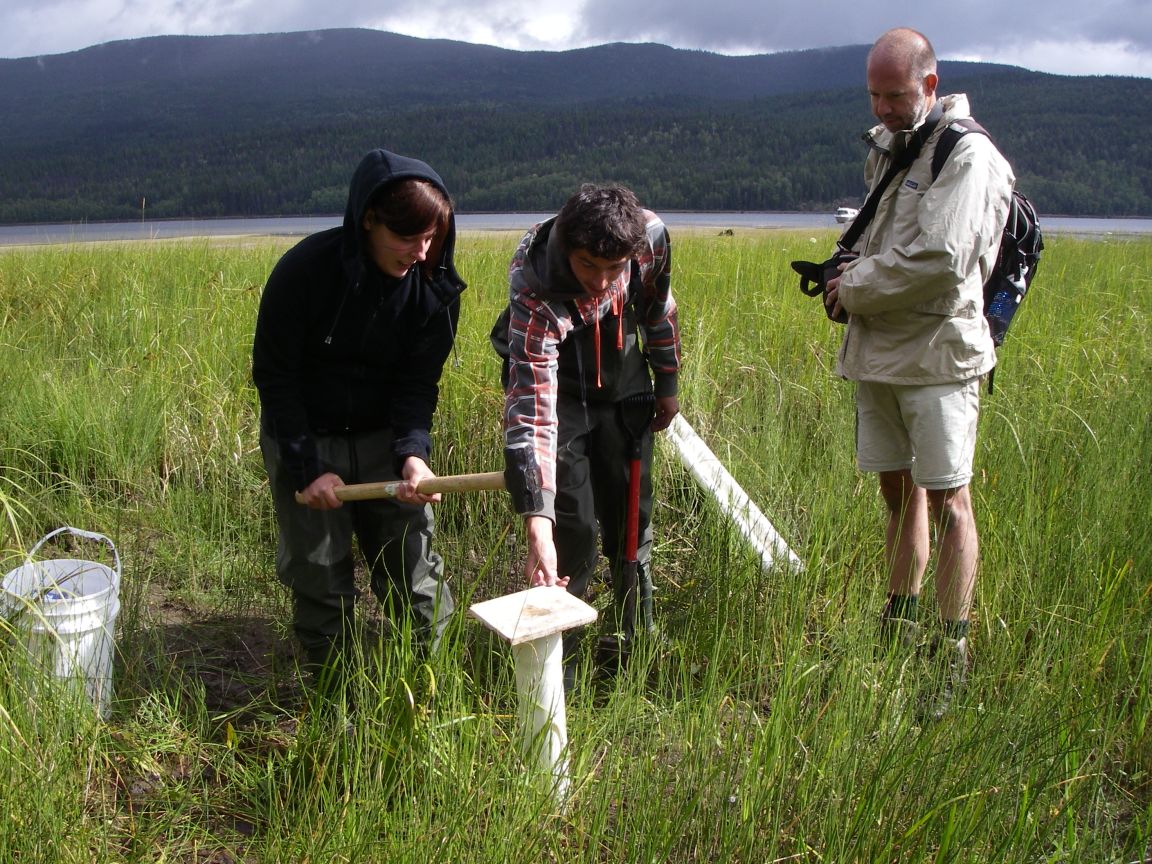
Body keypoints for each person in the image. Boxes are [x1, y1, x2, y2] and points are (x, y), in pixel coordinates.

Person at [824, 28, 1014, 720]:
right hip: (879, 354)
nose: (884, 108)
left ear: (931, 86)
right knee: (897, 497)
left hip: (937, 356)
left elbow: (938, 258)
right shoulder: (891, 149)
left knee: (950, 501)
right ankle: (898, 621)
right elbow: (886, 244)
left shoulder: (968, 155)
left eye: (897, 95)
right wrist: (847, 279)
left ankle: (951, 646)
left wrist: (855, 288)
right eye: (875, 95)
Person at [252, 149, 465, 695]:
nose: (419, 254)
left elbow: (418, 386)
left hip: (383, 441)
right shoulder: (304, 272)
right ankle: (335, 704)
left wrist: (413, 453)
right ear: (367, 217)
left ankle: (430, 693)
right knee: (320, 577)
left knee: (415, 573)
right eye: (406, 238)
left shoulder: (434, 291)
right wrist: (306, 469)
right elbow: (276, 378)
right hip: (307, 438)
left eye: (430, 240)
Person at [492, 184, 681, 675]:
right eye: (587, 266)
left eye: (614, 268)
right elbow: (532, 406)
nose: (601, 282)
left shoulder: (652, 239)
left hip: (626, 388)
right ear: (565, 251)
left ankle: (632, 643)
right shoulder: (533, 280)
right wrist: (537, 517)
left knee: (632, 521)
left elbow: (658, 307)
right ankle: (563, 664)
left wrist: (667, 381)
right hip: (563, 390)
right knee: (570, 524)